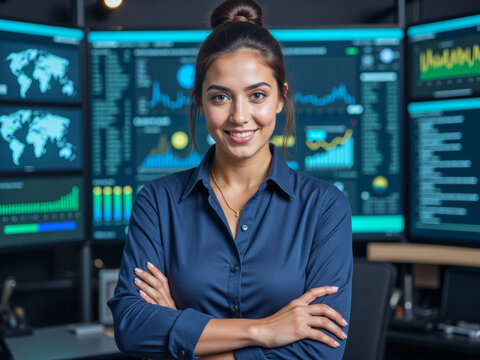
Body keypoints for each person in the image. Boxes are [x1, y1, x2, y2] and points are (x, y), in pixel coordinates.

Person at [108, 0, 353, 359]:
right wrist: (265, 330)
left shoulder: (325, 207)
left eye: (257, 95)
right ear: (200, 103)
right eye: (220, 97)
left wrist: (179, 326)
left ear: (281, 99)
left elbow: (320, 351)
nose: (240, 116)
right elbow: (131, 328)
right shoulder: (157, 202)